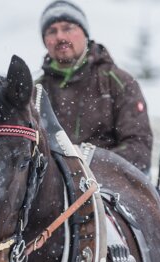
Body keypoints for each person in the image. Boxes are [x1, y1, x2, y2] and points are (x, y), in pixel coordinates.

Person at [37, 0, 153, 173]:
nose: (60, 37)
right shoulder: (35, 92)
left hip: (110, 187)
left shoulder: (118, 81)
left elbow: (138, 149)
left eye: (68, 28)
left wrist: (84, 165)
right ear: (45, 41)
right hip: (51, 188)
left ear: (85, 34)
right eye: (52, 31)